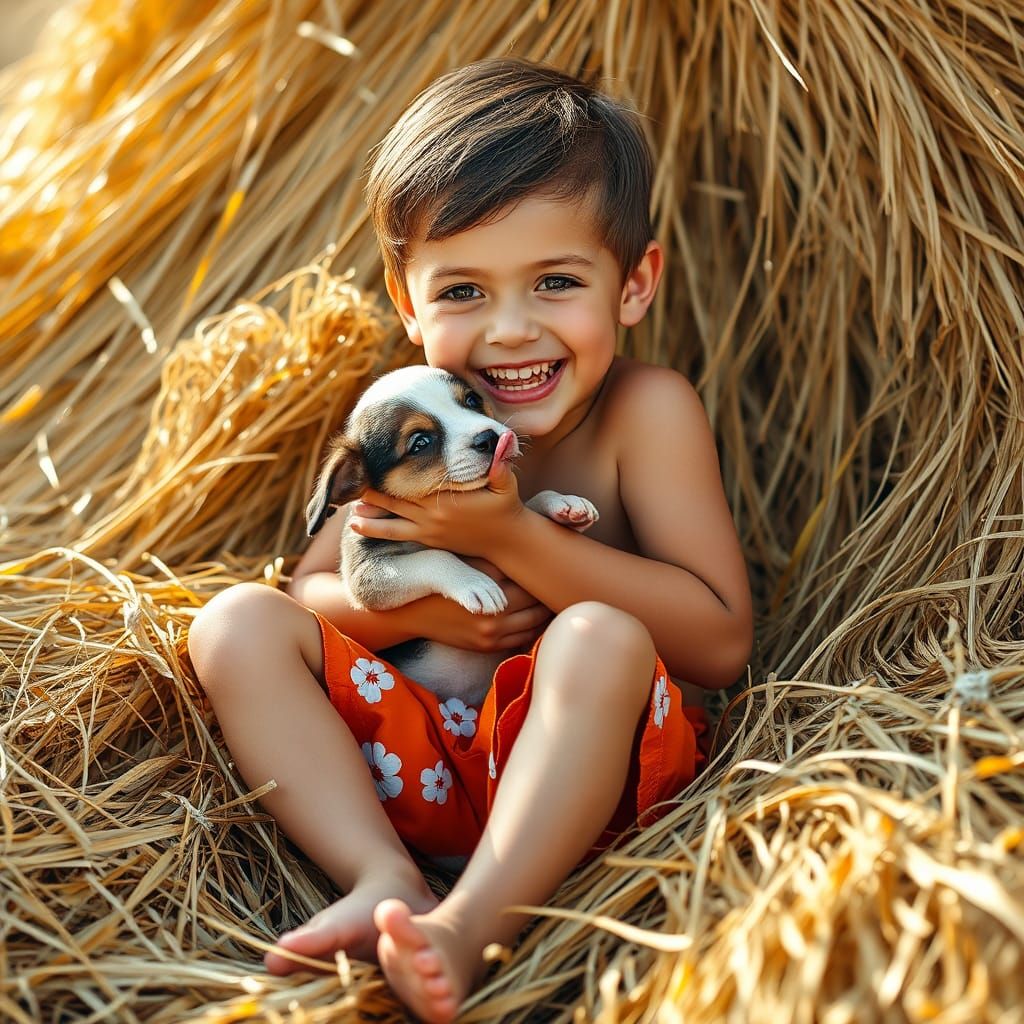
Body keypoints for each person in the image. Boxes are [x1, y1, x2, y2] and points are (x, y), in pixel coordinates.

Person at [187, 58, 752, 1024]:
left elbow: (720, 642)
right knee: (234, 624)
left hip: (574, 781)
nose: (509, 331)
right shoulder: (407, 423)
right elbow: (308, 597)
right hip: (417, 765)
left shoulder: (645, 415)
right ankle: (382, 876)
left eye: (557, 281)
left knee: (601, 637)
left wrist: (512, 539)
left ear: (635, 283)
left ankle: (472, 922)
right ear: (407, 303)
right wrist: (438, 601)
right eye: (461, 292)